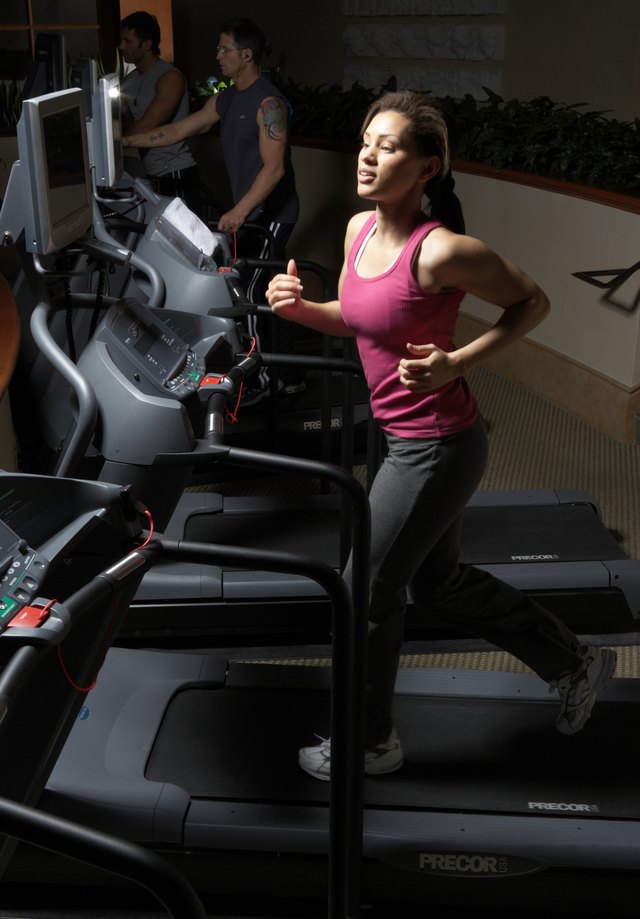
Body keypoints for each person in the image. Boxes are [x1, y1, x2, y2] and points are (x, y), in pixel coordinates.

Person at [265, 90, 617, 781]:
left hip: (438, 447)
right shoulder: (357, 233)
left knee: (365, 589)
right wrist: (305, 310)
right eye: (366, 140)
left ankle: (369, 742)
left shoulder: (443, 252)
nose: (367, 154)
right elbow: (358, 316)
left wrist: (456, 360)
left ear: (427, 168)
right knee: (437, 583)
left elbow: (531, 302)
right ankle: (574, 659)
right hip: (400, 441)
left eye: (388, 145)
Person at [122, 17, 303, 403]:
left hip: (274, 213)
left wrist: (238, 211)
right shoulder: (226, 98)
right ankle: (288, 373)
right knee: (264, 291)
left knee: (251, 293)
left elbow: (274, 169)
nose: (217, 56)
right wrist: (124, 140)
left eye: (225, 50)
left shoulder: (268, 103)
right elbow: (178, 130)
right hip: (251, 212)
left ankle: (264, 378)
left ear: (246, 55)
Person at [119, 10, 202, 211]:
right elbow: (123, 119)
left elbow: (147, 125)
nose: (121, 47)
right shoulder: (129, 81)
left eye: (128, 42)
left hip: (175, 172)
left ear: (146, 44)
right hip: (151, 173)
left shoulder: (170, 78)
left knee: (184, 239)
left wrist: (113, 136)